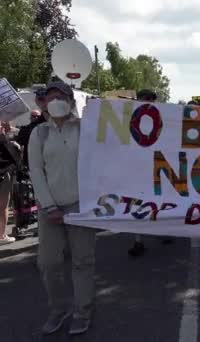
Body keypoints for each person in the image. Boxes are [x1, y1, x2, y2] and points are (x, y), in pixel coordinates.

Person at [29, 82, 97, 335]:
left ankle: (83, 310)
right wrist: (48, 206)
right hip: (50, 210)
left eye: (60, 96)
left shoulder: (85, 128)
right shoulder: (40, 134)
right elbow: (36, 171)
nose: (55, 100)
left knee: (82, 261)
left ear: (70, 101)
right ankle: (58, 309)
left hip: (80, 205)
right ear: (44, 103)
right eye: (50, 97)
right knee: (48, 263)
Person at [128, 89, 174, 257]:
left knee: (159, 201)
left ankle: (163, 232)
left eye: (151, 99)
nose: (148, 102)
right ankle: (138, 240)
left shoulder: (162, 118)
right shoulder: (129, 118)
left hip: (158, 166)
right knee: (137, 203)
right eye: (145, 99)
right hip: (137, 168)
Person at [0, 122, 21, 245]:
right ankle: (2, 235)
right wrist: (4, 138)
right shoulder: (3, 140)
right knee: (3, 206)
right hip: (3, 173)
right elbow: (14, 158)